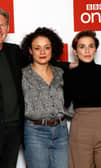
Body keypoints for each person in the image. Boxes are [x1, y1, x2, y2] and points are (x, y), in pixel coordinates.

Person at [63, 30, 101, 168]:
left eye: (91, 46)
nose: (87, 50)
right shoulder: (68, 75)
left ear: (96, 49)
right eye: (82, 47)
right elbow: (66, 103)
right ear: (75, 51)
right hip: (80, 130)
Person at [21, 27, 72, 168]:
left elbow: (69, 101)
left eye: (46, 48)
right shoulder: (22, 75)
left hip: (61, 131)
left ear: (52, 49)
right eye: (37, 48)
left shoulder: (60, 72)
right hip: (35, 132)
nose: (42, 52)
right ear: (30, 51)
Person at [0, 8, 24, 168]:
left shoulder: (14, 51)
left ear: (8, 28)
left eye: (2, 25)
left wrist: (70, 65)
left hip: (14, 127)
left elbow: (39, 63)